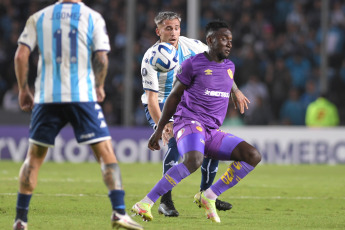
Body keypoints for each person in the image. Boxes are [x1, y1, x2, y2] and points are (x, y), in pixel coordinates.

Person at [12, 1, 142, 230]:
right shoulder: (93, 17)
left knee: (33, 158)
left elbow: (21, 55)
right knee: (106, 154)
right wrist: (99, 86)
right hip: (81, 95)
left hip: (47, 96)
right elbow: (101, 58)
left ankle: (21, 220)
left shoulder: (38, 17)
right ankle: (119, 212)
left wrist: (23, 89)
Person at [132, 20, 261, 223]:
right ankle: (146, 202)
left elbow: (227, 80)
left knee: (252, 155)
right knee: (194, 160)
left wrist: (236, 91)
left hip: (211, 130)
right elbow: (173, 97)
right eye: (223, 39)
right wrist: (159, 130)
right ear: (210, 40)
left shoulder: (230, 67)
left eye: (230, 40)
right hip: (189, 123)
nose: (229, 43)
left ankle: (209, 195)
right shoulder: (192, 64)